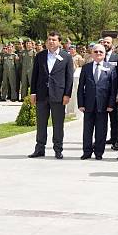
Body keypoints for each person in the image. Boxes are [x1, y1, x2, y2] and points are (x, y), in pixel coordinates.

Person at [28, 31, 74, 159]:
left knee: (58, 124)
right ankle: (39, 148)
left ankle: (58, 149)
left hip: (58, 95)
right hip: (42, 94)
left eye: (54, 39)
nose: (51, 42)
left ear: (59, 42)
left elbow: (69, 78)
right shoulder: (40, 56)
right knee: (41, 123)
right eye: (49, 39)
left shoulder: (66, 57)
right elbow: (35, 75)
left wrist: (67, 95)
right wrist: (33, 92)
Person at [77, 44, 117, 160]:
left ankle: (99, 152)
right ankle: (87, 151)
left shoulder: (110, 68)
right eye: (96, 52)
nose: (98, 54)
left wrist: (110, 104)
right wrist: (81, 103)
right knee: (87, 130)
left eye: (101, 52)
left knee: (101, 130)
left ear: (104, 54)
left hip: (103, 105)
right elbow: (81, 87)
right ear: (92, 53)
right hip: (88, 104)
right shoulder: (86, 67)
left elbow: (113, 89)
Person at [102, 36, 118, 150]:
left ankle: (115, 141)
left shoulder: (117, 58)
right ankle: (101, 139)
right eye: (104, 42)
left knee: (114, 119)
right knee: (101, 119)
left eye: (108, 42)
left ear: (112, 44)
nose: (105, 44)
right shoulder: (98, 57)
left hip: (113, 94)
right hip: (101, 94)